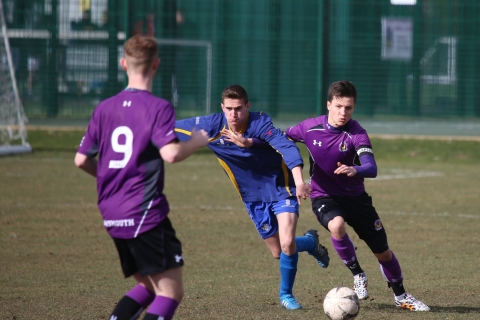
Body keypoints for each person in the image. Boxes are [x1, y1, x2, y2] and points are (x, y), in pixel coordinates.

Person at [74, 34, 210, 320]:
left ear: (123, 63)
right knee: (170, 293)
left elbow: (81, 159)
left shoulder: (104, 108)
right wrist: (196, 142)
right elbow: (171, 154)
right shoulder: (157, 107)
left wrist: (110, 178)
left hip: (110, 210)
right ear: (156, 65)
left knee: (147, 286)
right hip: (143, 211)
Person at [174, 84, 330, 310]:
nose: (234, 114)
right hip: (253, 198)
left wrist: (298, 182)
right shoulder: (211, 126)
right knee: (279, 252)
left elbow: (287, 147)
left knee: (287, 242)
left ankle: (286, 295)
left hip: (281, 187)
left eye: (238, 108)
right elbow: (166, 127)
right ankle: (310, 242)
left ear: (247, 106)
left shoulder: (260, 123)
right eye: (229, 109)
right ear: (222, 108)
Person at [285, 80, 430, 311]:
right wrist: (252, 143)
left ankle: (401, 296)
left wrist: (356, 169)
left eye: (349, 107)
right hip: (324, 195)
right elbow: (282, 139)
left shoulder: (356, 133)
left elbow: (371, 168)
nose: (344, 113)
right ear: (329, 105)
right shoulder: (309, 128)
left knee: (382, 251)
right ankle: (358, 274)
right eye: (339, 106)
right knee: (337, 226)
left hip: (356, 198)